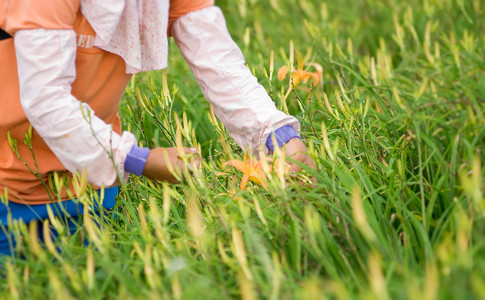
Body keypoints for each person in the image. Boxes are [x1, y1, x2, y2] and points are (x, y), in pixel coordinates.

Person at [0, 0, 316, 256]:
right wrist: (138, 160)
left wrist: (279, 136)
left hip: (90, 187)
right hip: (7, 186)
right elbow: (45, 99)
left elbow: (220, 64)